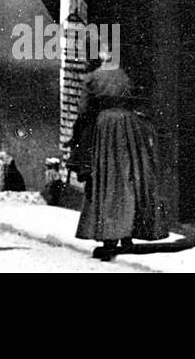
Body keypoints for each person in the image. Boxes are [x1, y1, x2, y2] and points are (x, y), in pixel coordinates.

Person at [70, 53, 167, 260]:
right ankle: (128, 235)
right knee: (131, 177)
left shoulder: (92, 78)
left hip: (105, 129)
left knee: (108, 181)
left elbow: (83, 111)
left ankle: (110, 238)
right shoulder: (127, 75)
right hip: (130, 128)